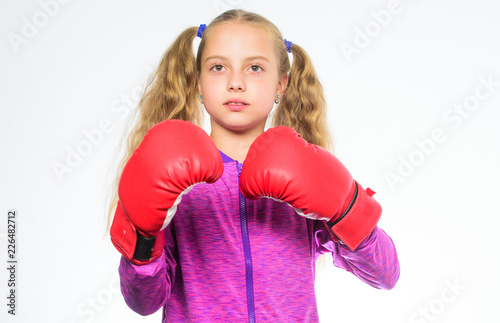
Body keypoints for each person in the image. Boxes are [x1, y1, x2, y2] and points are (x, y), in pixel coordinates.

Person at [106, 9, 400, 323]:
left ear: (281, 84)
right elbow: (143, 302)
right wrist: (142, 237)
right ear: (198, 83)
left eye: (255, 67)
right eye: (218, 67)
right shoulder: (175, 180)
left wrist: (346, 208)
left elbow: (385, 274)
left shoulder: (305, 169)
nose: (236, 82)